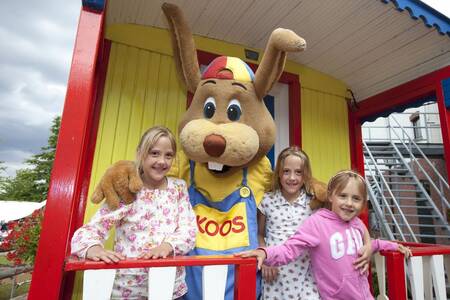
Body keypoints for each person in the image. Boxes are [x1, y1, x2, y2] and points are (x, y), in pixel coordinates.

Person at [239, 170, 412, 300]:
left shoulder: (357, 224)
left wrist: (393, 246)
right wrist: (265, 253)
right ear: (331, 196)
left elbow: (369, 246)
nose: (349, 203)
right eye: (343, 196)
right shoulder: (317, 223)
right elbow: (290, 249)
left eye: (356, 198)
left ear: (363, 202)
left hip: (365, 296)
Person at [71, 126, 197, 299]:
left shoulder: (178, 188)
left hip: (170, 288)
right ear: (140, 153)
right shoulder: (127, 188)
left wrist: (166, 247)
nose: (162, 161)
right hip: (129, 290)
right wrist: (93, 248)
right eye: (154, 153)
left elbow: (188, 230)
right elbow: (92, 229)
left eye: (168, 155)